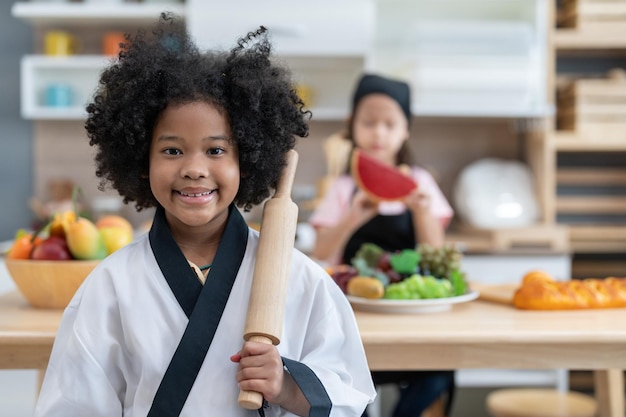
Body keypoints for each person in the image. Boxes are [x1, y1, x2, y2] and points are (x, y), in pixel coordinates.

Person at [34, 14, 376, 417]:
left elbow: (348, 396)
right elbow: (74, 406)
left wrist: (286, 385)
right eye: (172, 150)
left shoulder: (301, 279)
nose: (194, 168)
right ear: (141, 160)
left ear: (246, 161)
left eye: (216, 150)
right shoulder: (111, 286)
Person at [309, 73, 455, 417]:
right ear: (351, 125)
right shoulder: (344, 186)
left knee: (439, 373)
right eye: (369, 122)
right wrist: (353, 216)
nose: (379, 133)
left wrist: (420, 210)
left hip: (412, 317)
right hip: (356, 318)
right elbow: (322, 252)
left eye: (390, 124)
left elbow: (436, 254)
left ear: (406, 129)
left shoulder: (421, 182)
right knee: (346, 380)